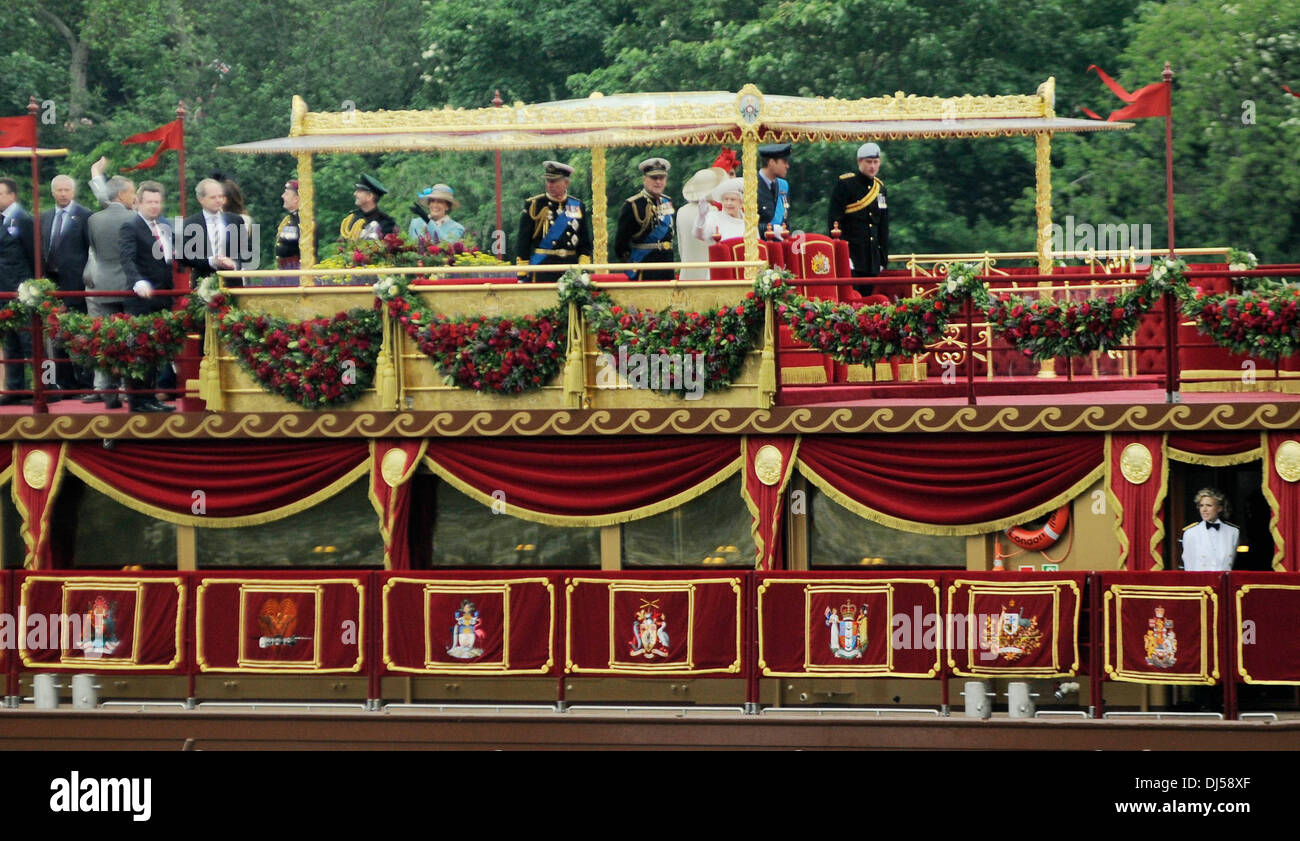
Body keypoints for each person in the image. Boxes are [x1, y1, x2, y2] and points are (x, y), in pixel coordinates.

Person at [118, 180, 175, 413]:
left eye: (158, 202)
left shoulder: (162, 226)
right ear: (138, 203)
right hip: (141, 299)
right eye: (150, 202)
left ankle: (151, 396)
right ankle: (139, 400)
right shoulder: (130, 227)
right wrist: (137, 281)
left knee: (156, 351)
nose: (154, 206)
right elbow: (127, 258)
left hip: (161, 297)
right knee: (140, 350)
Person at [84, 175, 137, 409]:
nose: (134, 196)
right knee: (132, 338)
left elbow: (94, 248)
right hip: (128, 283)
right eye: (132, 192)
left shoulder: (94, 220)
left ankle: (107, 389)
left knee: (106, 339)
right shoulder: (135, 218)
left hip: (103, 283)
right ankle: (131, 388)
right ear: (122, 194)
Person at [40, 174, 95, 398]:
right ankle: (65, 382)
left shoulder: (85, 216)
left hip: (76, 285)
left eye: (67, 190)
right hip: (51, 285)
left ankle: (85, 381)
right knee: (55, 335)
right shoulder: (44, 217)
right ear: (53, 192)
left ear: (73, 192)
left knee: (80, 334)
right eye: (59, 190)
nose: (63, 194)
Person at [829, 142, 890, 296]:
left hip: (872, 257)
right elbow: (834, 221)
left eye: (876, 162)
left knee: (869, 300)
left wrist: (883, 258)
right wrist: (842, 254)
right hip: (852, 256)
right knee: (852, 299)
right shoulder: (846, 184)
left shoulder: (880, 188)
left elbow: (883, 225)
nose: (872, 166)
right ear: (859, 162)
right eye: (869, 162)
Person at [515, 161, 592, 281]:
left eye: (554, 181)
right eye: (548, 181)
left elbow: (584, 242)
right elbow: (523, 242)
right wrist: (522, 272)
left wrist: (583, 269)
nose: (549, 185)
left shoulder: (577, 205)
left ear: (566, 183)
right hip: (542, 267)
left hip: (570, 268)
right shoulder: (534, 204)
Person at [0, 178, 35, 405]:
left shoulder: (23, 219)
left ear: (12, 195)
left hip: (22, 289)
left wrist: (33, 286)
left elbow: (33, 253)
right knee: (10, 341)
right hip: (3, 290)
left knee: (29, 340)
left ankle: (44, 387)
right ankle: (15, 389)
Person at [614, 158, 676, 280]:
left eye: (661, 178)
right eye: (654, 178)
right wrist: (632, 264)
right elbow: (620, 245)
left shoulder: (667, 201)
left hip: (667, 263)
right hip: (644, 265)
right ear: (644, 180)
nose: (658, 182)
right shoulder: (633, 205)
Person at [180, 178, 247, 288]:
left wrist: (233, 263)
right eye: (213, 197)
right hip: (203, 285)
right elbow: (184, 257)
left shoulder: (235, 220)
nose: (218, 200)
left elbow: (246, 250)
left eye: (220, 196)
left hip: (232, 284)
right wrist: (211, 261)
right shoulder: (189, 224)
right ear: (201, 199)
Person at [676, 166, 725, 280]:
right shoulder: (713, 211)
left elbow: (680, 247)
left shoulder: (681, 211)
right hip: (709, 274)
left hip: (686, 274)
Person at [1180, 487, 1239, 571]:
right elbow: (1189, 566)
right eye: (1201, 505)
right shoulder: (1190, 533)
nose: (1204, 509)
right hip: (1201, 582)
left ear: (1219, 508)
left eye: (1209, 505)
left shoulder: (1233, 532)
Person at [340, 174, 396, 240]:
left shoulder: (386, 223)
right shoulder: (352, 218)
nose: (355, 194)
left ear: (369, 196)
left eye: (359, 191)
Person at [694, 176, 745, 244]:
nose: (728, 203)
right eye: (726, 199)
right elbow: (700, 236)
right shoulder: (714, 217)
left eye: (732, 200)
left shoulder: (748, 220)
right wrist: (701, 217)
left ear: (741, 203)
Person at [756, 142, 792, 239]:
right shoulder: (752, 186)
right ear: (771, 162)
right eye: (784, 162)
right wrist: (771, 229)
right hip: (760, 246)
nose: (787, 166)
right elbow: (747, 224)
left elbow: (785, 218)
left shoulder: (783, 185)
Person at [273, 178, 301, 273]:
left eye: (286, 194)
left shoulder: (303, 222)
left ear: (296, 199)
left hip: (296, 271)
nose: (283, 196)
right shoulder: (289, 220)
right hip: (285, 270)